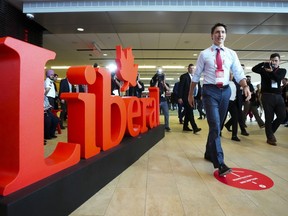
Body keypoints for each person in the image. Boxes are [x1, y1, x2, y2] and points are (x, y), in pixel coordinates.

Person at [188, 23, 251, 176]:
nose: (220, 35)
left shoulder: (231, 53)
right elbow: (196, 77)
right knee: (215, 124)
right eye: (217, 32)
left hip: (226, 92)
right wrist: (190, 94)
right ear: (212, 35)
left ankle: (209, 152)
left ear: (225, 35)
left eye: (223, 32)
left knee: (217, 126)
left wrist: (245, 86)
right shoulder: (204, 54)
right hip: (210, 91)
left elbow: (238, 72)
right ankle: (220, 163)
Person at [252, 53, 287, 145]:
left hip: (278, 96)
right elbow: (254, 69)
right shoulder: (264, 70)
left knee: (282, 116)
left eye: (276, 60)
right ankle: (270, 137)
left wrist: (271, 72)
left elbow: (278, 78)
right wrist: (263, 63)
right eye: (272, 60)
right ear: (270, 60)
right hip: (267, 96)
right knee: (269, 117)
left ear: (279, 61)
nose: (274, 62)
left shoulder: (282, 70)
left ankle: (270, 131)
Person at [178, 64, 201, 133]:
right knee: (190, 112)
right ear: (188, 69)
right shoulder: (184, 76)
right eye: (190, 68)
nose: (192, 69)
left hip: (193, 97)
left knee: (188, 112)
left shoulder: (196, 77)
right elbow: (181, 87)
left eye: (193, 68)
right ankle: (195, 127)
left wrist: (200, 95)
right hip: (186, 97)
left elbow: (198, 87)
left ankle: (185, 126)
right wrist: (180, 97)